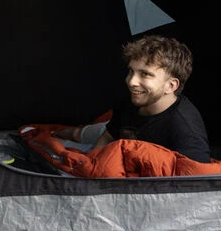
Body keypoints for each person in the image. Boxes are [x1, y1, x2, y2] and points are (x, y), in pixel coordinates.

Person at [53, 35, 211, 163]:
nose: (131, 82)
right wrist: (92, 162)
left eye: (145, 74)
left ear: (170, 86)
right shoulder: (135, 98)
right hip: (117, 135)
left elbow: (196, 181)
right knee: (74, 135)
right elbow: (108, 136)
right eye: (131, 71)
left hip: (130, 145)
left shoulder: (186, 131)